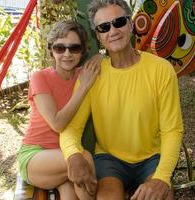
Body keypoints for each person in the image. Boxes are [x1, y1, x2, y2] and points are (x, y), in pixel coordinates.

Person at [60, 0, 184, 200]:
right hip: (110, 159)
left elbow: (172, 130)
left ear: (131, 25)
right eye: (104, 27)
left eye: (119, 22)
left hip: (152, 157)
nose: (113, 30)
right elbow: (71, 128)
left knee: (161, 196)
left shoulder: (161, 70)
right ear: (98, 36)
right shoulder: (92, 74)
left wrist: (161, 178)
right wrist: (72, 155)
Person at [17, 20, 101, 200]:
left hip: (65, 154)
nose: (67, 54)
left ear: (83, 51)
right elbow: (57, 123)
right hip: (36, 156)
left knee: (71, 194)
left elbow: (105, 59)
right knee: (83, 159)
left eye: (74, 48)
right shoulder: (40, 77)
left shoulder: (84, 74)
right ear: (51, 50)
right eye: (60, 48)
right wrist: (83, 88)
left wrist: (101, 55)